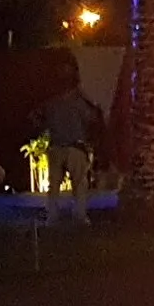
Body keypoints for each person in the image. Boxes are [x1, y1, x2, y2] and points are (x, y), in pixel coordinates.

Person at [35, 81, 104, 225]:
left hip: (56, 147)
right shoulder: (79, 103)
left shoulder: (51, 103)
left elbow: (39, 120)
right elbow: (92, 118)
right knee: (79, 184)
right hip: (75, 147)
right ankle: (79, 215)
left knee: (53, 185)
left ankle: (52, 216)